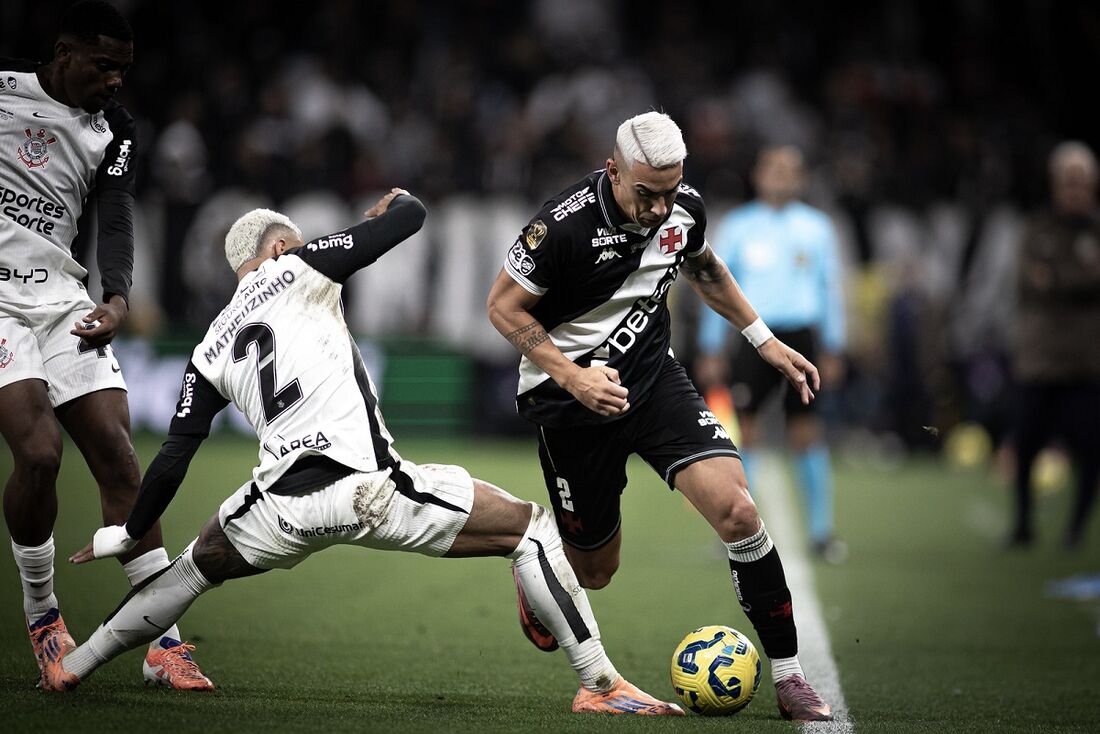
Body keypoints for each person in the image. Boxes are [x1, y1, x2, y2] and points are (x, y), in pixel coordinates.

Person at [37, 188, 684, 718]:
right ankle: (600, 684)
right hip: (363, 488)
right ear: (281, 247)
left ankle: (74, 664)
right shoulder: (299, 267)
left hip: (275, 508)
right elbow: (411, 218)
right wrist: (387, 206)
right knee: (531, 528)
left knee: (186, 570)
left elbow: (176, 455)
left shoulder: (209, 344)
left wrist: (127, 530)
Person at [486, 111, 832, 722]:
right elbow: (502, 308)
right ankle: (539, 578)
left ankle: (789, 674)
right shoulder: (559, 226)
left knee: (739, 510)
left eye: (669, 193)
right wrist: (573, 376)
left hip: (654, 384)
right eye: (646, 194)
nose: (657, 209)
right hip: (567, 403)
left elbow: (706, 269)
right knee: (596, 571)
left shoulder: (683, 208)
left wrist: (765, 342)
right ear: (614, 171)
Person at [0, 0, 211, 689]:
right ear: (63, 52)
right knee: (38, 455)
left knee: (122, 460)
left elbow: (115, 215)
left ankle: (162, 642)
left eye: (125, 69)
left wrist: (115, 298)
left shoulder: (114, 129)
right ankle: (42, 614)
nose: (116, 80)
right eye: (104, 66)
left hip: (63, 300)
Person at [695, 145, 847, 562]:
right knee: (745, 433)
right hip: (752, 337)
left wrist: (834, 346)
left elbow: (829, 289)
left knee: (806, 433)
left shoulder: (817, 228)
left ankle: (820, 532)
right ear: (758, 175)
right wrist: (711, 345)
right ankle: (739, 529)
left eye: (789, 170)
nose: (780, 176)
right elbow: (714, 285)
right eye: (773, 168)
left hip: (802, 336)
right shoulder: (739, 226)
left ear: (801, 179)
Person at [1008, 141, 1100, 549]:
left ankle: (1077, 530)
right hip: (1040, 361)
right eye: (1068, 182)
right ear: (1055, 183)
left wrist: (1057, 279)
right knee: (1025, 447)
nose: (1074, 190)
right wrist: (1078, 279)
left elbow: (1053, 281)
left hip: (1086, 363)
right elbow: (1029, 282)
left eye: (1081, 182)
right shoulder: (1037, 227)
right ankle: (1022, 526)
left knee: (1090, 451)